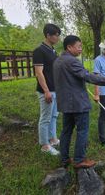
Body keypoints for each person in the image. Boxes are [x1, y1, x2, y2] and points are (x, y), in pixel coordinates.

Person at [53, 35, 105, 168]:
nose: (81, 49)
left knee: (66, 131)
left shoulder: (58, 61)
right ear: (69, 47)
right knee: (82, 130)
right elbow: (87, 76)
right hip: (78, 103)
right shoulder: (72, 61)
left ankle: (64, 159)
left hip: (65, 103)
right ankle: (79, 160)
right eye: (78, 46)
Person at [33, 23, 61, 155]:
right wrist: (46, 91)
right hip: (47, 90)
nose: (58, 37)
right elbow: (39, 72)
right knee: (45, 117)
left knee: (54, 116)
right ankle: (44, 145)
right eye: (56, 35)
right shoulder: (39, 50)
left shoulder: (53, 50)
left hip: (55, 88)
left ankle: (53, 139)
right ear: (48, 35)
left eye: (58, 35)